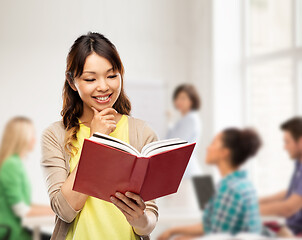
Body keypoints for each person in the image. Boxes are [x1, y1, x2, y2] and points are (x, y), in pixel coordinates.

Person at [41, 32, 159, 240]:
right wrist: (95, 142)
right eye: (90, 78)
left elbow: (148, 223)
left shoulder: (142, 133)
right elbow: (65, 210)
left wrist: (138, 218)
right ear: (72, 81)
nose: (103, 86)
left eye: (112, 76)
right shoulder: (55, 135)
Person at [158, 128, 262, 239]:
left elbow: (217, 235)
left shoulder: (230, 189)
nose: (208, 148)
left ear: (224, 152)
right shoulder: (240, 183)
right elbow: (211, 226)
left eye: (213, 143)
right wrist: (173, 231)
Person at [0, 117, 53, 240]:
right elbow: (22, 210)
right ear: (21, 138)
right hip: (12, 233)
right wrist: (58, 213)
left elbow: (26, 204)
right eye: (32, 135)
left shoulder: (14, 162)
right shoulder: (11, 164)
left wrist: (57, 209)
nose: (35, 139)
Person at [260, 117, 302, 236]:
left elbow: (288, 208)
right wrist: (260, 200)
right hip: (290, 228)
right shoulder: (299, 164)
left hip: (296, 232)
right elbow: (293, 192)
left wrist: (249, 210)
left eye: (287, 142)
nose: (285, 147)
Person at [166, 84, 202, 177]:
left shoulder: (191, 119)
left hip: (188, 172)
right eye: (177, 98)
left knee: (204, 191)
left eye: (183, 98)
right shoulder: (185, 119)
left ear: (191, 100)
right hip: (187, 171)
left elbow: (175, 142)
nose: (179, 101)